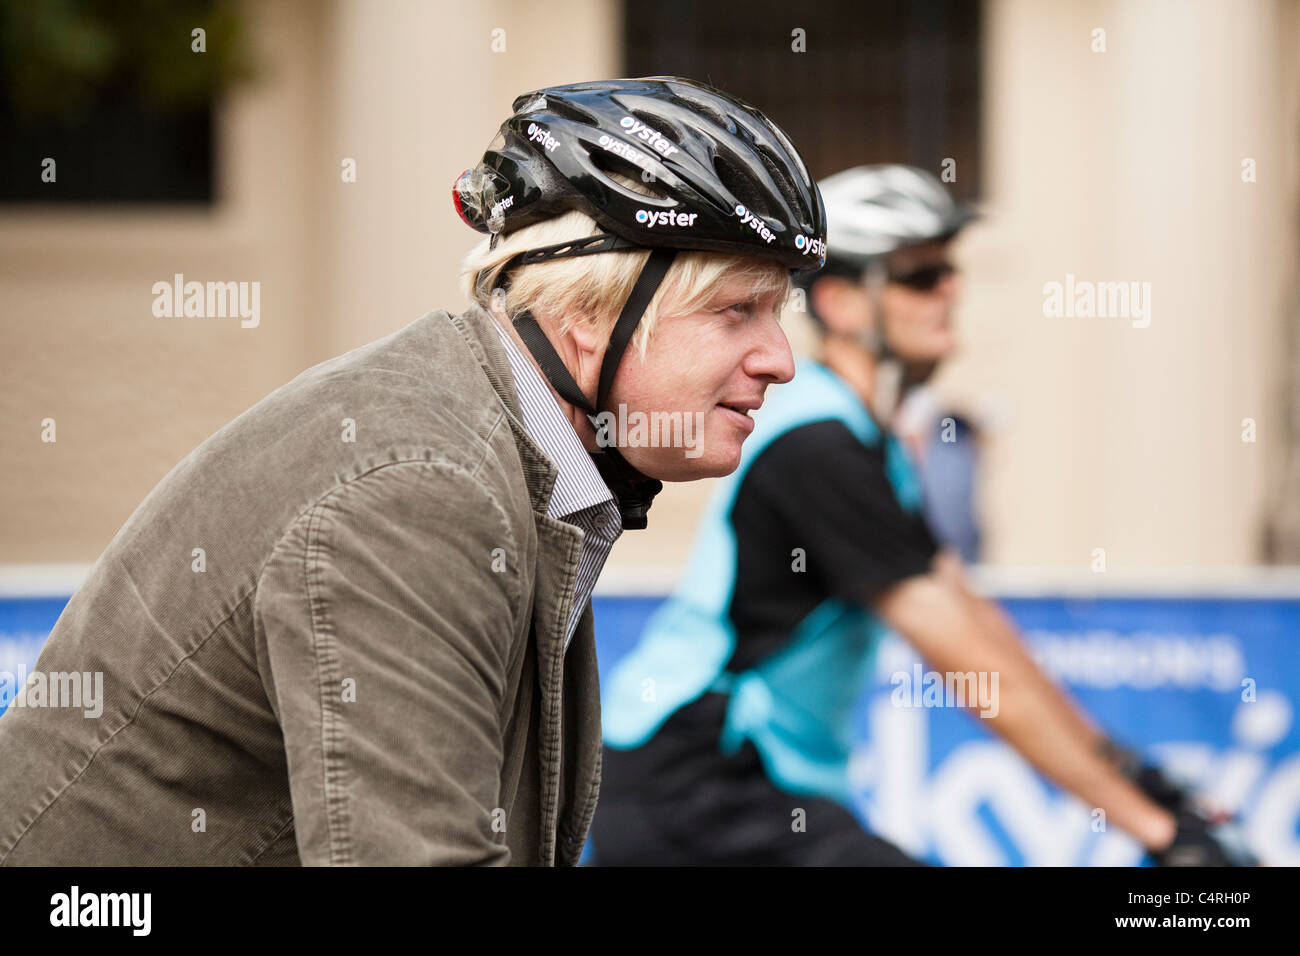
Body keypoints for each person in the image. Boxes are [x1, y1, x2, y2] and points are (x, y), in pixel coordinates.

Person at [0, 76, 826, 866]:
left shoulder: (516, 454)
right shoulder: (424, 491)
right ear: (586, 315)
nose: (781, 360)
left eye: (777, 311)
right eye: (735, 311)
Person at [592, 164, 1254, 866]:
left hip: (742, 783)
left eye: (949, 271)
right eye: (920, 275)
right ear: (843, 303)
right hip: (696, 779)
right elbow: (964, 661)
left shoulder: (871, 440)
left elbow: (978, 627)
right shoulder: (821, 445)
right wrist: (1156, 831)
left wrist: (1132, 777)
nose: (951, 290)